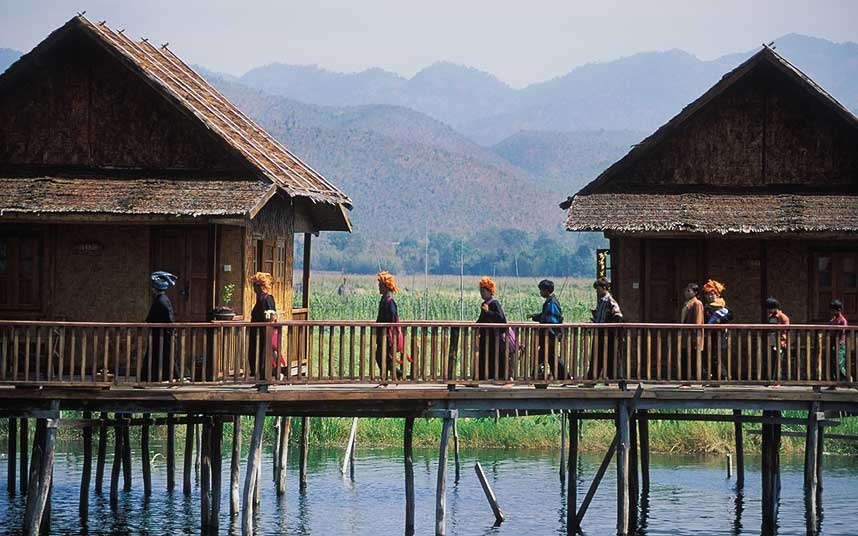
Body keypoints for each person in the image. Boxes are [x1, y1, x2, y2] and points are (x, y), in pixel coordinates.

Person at [529, 279, 567, 383]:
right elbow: (544, 315)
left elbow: (551, 320)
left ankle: (536, 376)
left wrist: (543, 325)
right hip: (549, 335)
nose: (540, 292)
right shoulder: (550, 302)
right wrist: (535, 316)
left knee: (547, 356)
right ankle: (563, 377)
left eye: (541, 290)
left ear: (546, 290)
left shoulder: (552, 303)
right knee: (550, 357)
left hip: (550, 335)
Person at [589, 277, 623, 381]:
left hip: (607, 333)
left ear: (604, 288)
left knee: (609, 356)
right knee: (597, 356)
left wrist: (610, 325)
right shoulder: (601, 301)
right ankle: (592, 378)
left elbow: (618, 315)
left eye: (598, 289)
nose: (597, 291)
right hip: (599, 331)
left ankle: (611, 378)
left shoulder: (609, 300)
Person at [145, 271, 177, 381]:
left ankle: (157, 378)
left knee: (164, 355)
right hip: (161, 334)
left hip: (163, 334)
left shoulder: (161, 301)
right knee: (163, 355)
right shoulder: (162, 300)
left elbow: (167, 319)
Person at [475, 277, 508, 380]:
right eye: (480, 291)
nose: (481, 293)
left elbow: (501, 319)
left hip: (494, 338)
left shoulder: (494, 303)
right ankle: (483, 376)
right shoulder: (484, 304)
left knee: (495, 357)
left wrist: (488, 311)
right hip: (485, 337)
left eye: (483, 291)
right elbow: (481, 319)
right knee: (484, 357)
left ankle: (497, 377)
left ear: (490, 291)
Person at [248, 272, 276, 377]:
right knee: (254, 355)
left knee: (262, 356)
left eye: (255, 285)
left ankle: (264, 380)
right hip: (256, 333)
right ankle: (258, 378)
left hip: (264, 333)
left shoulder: (267, 298)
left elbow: (273, 315)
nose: (253, 288)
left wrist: (268, 320)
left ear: (260, 286)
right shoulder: (259, 299)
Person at [375, 271, 403, 380]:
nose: (379, 288)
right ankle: (389, 377)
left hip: (387, 335)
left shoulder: (390, 302)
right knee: (382, 357)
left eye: (380, 286)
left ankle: (394, 375)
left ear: (386, 287)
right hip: (382, 335)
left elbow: (393, 319)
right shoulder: (383, 300)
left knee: (383, 357)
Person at [702, 279, 731, 380]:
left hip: (720, 335)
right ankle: (714, 377)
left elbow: (730, 315)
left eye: (712, 294)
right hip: (709, 335)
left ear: (717, 294)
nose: (710, 297)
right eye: (708, 295)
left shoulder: (723, 306)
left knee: (717, 356)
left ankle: (722, 377)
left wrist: (719, 320)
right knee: (710, 356)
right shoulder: (706, 307)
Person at [680, 283, 704, 381]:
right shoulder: (688, 303)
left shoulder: (697, 303)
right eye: (686, 290)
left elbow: (698, 321)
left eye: (689, 291)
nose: (686, 293)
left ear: (695, 293)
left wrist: (695, 337)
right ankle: (686, 380)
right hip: (686, 337)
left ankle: (690, 380)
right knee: (685, 358)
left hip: (693, 337)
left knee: (692, 359)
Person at [765, 297, 790, 381]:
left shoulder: (783, 317)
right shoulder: (770, 316)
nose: (769, 310)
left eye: (770, 308)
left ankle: (778, 381)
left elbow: (785, 331)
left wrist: (783, 341)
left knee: (778, 362)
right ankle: (771, 380)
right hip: (771, 341)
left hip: (779, 342)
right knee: (771, 361)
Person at [829, 299, 848, 381]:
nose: (831, 312)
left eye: (833, 310)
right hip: (832, 344)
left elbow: (842, 334)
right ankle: (833, 383)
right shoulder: (833, 320)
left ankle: (848, 379)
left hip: (840, 345)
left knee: (839, 363)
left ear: (838, 310)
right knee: (832, 364)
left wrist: (837, 345)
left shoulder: (842, 321)